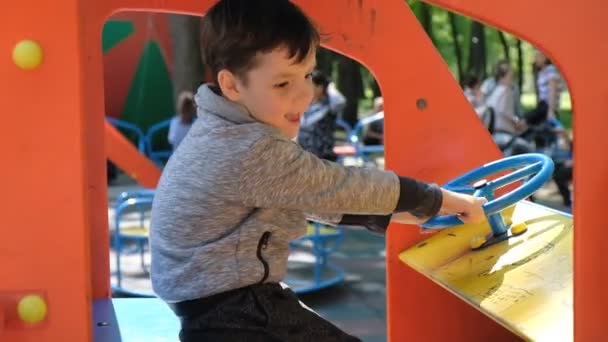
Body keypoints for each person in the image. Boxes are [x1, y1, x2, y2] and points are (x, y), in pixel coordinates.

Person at [149, 1, 487, 341]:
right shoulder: (249, 148)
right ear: (233, 85)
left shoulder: (219, 130)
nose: (304, 94)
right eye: (282, 84)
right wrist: (437, 199)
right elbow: (339, 185)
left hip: (207, 310)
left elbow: (310, 197)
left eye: (308, 75)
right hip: (239, 311)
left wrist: (394, 215)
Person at [297, 71, 339, 161]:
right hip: (303, 156)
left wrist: (331, 88)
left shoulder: (329, 106)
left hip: (323, 159)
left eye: (310, 84)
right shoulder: (304, 105)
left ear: (320, 88)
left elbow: (340, 101)